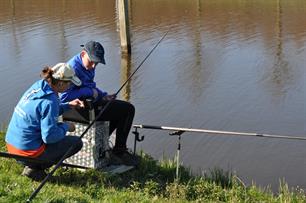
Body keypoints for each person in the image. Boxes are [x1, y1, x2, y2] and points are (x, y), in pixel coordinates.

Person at [60, 40, 138, 166]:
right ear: (83, 53)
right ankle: (118, 151)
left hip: (89, 104)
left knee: (123, 108)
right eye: (92, 61)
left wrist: (103, 96)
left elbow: (90, 87)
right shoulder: (71, 68)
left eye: (97, 63)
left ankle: (103, 144)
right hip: (77, 110)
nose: (94, 66)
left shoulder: (87, 65)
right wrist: (89, 92)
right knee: (128, 110)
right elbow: (63, 98)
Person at [5, 63, 85, 181]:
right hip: (26, 152)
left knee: (54, 127)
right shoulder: (50, 101)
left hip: (11, 146)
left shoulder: (38, 86)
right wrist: (66, 127)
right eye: (69, 83)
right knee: (77, 142)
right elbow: (49, 137)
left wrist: (68, 106)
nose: (70, 86)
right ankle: (35, 168)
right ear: (60, 83)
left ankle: (32, 165)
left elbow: (43, 111)